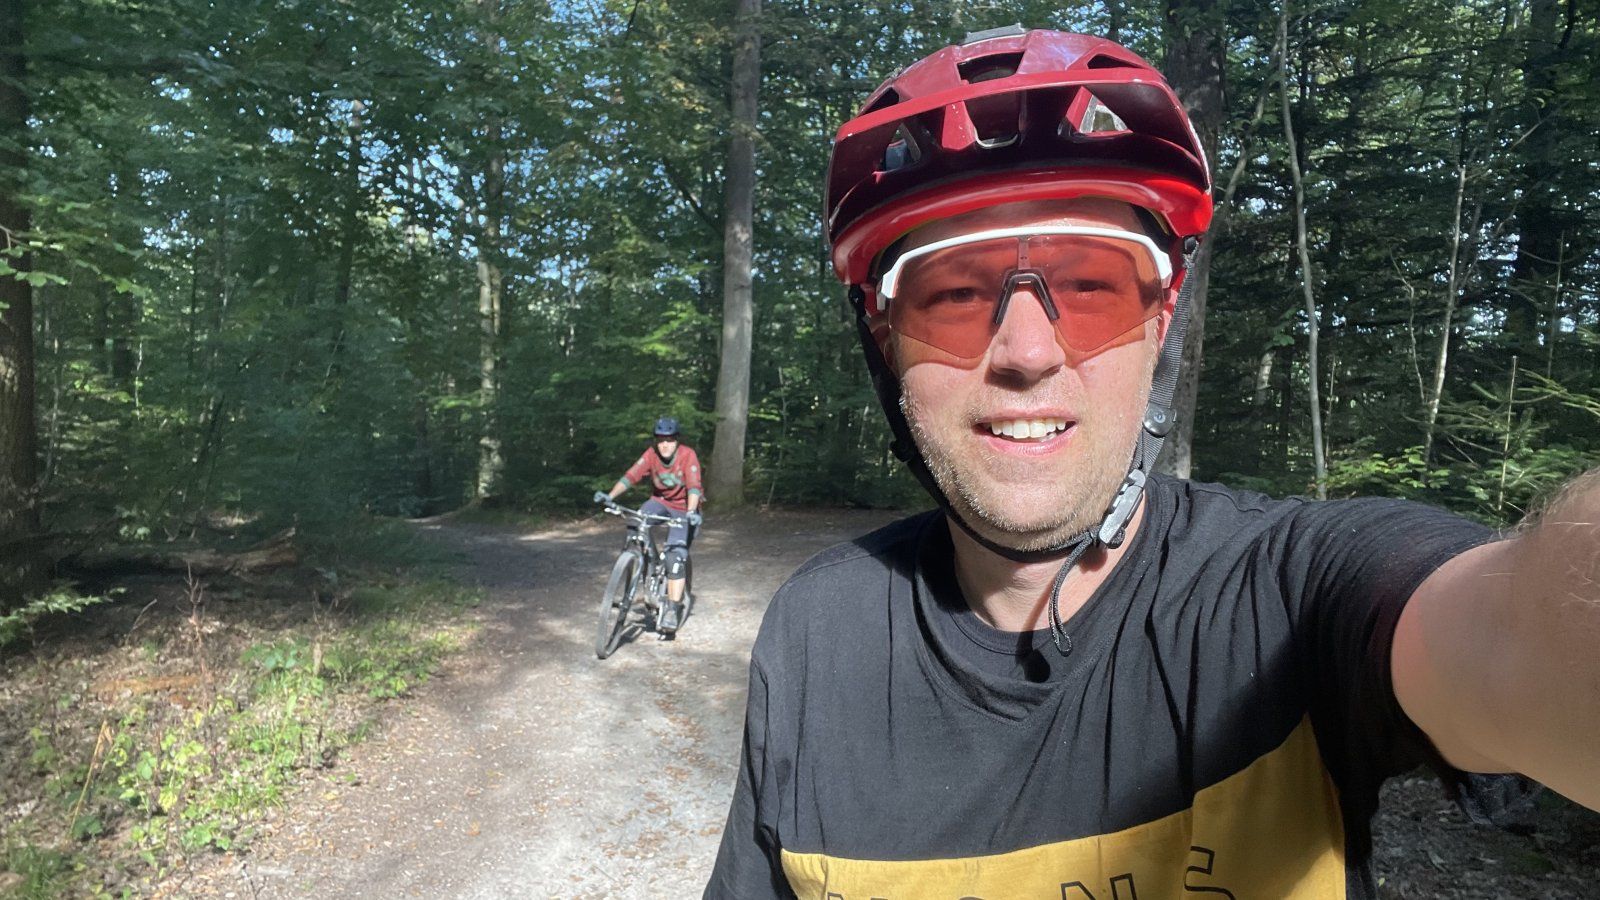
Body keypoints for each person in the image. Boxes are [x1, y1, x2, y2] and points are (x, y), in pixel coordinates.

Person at [705, 27, 1599, 899]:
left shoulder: (1288, 598)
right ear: (886, 340)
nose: (1026, 352)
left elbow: (1523, 634)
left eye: (1091, 285)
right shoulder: (817, 635)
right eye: (955, 293)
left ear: (1160, 325)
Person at [596, 416, 703, 634]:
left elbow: (694, 487)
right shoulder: (651, 454)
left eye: (670, 440)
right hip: (659, 502)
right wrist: (610, 496)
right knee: (636, 522)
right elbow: (632, 475)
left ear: (677, 441)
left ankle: (672, 608)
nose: (665, 445)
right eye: (661, 440)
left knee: (675, 556)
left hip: (684, 508)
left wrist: (692, 511)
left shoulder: (687, 455)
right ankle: (640, 564)